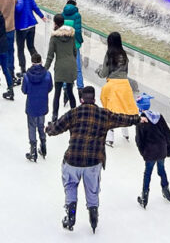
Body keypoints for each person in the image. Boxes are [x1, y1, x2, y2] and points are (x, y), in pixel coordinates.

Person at [46, 83, 144, 233]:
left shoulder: (74, 113)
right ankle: (93, 215)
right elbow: (121, 118)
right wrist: (138, 119)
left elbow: (57, 127)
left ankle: (71, 213)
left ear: (81, 100)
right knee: (92, 190)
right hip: (93, 161)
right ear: (94, 99)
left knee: (70, 185)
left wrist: (48, 129)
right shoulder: (103, 115)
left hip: (73, 160)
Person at [96, 30, 138, 146]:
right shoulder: (124, 55)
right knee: (124, 108)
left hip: (113, 86)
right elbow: (126, 72)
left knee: (110, 112)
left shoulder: (109, 54)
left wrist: (98, 70)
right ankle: (126, 134)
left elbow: (104, 73)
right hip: (125, 85)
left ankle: (110, 138)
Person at [135, 91, 170, 208]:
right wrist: (169, 150)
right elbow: (168, 134)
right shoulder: (158, 116)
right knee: (161, 170)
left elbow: (139, 140)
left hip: (150, 152)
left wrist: (143, 153)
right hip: (161, 149)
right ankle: (166, 190)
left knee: (148, 173)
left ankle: (144, 197)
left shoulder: (141, 120)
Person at [45, 12, 78, 119]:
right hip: (71, 66)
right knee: (70, 91)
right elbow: (75, 52)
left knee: (57, 93)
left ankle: (55, 116)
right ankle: (75, 115)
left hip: (60, 67)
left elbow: (50, 56)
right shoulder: (71, 35)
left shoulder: (54, 38)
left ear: (55, 23)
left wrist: (44, 70)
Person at [22, 50, 52, 163]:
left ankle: (33, 150)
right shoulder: (47, 75)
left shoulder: (27, 76)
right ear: (41, 61)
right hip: (42, 104)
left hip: (31, 105)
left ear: (32, 62)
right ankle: (43, 145)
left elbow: (24, 90)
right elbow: (50, 88)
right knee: (41, 125)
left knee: (31, 126)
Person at [11, 0, 44, 77]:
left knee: (20, 49)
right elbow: (35, 6)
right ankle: (39, 66)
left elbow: (19, 9)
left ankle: (23, 70)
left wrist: (13, 3)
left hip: (22, 27)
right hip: (31, 24)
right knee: (31, 47)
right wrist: (42, 16)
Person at [62, 0, 84, 93]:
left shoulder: (62, 14)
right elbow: (78, 31)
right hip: (74, 45)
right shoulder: (77, 15)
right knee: (77, 68)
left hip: (65, 44)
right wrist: (80, 40)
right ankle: (80, 88)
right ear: (75, 3)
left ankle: (65, 87)